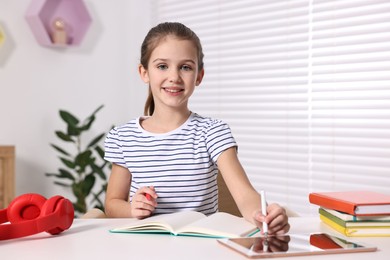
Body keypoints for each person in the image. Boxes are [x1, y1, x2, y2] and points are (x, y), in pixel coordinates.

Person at [104, 22, 290, 235]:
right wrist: (132, 209)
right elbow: (112, 204)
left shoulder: (213, 132)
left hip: (201, 246)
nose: (174, 76)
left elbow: (246, 197)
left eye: (185, 67)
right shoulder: (123, 137)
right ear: (144, 72)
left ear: (199, 76)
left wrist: (264, 214)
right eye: (162, 66)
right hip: (144, 246)